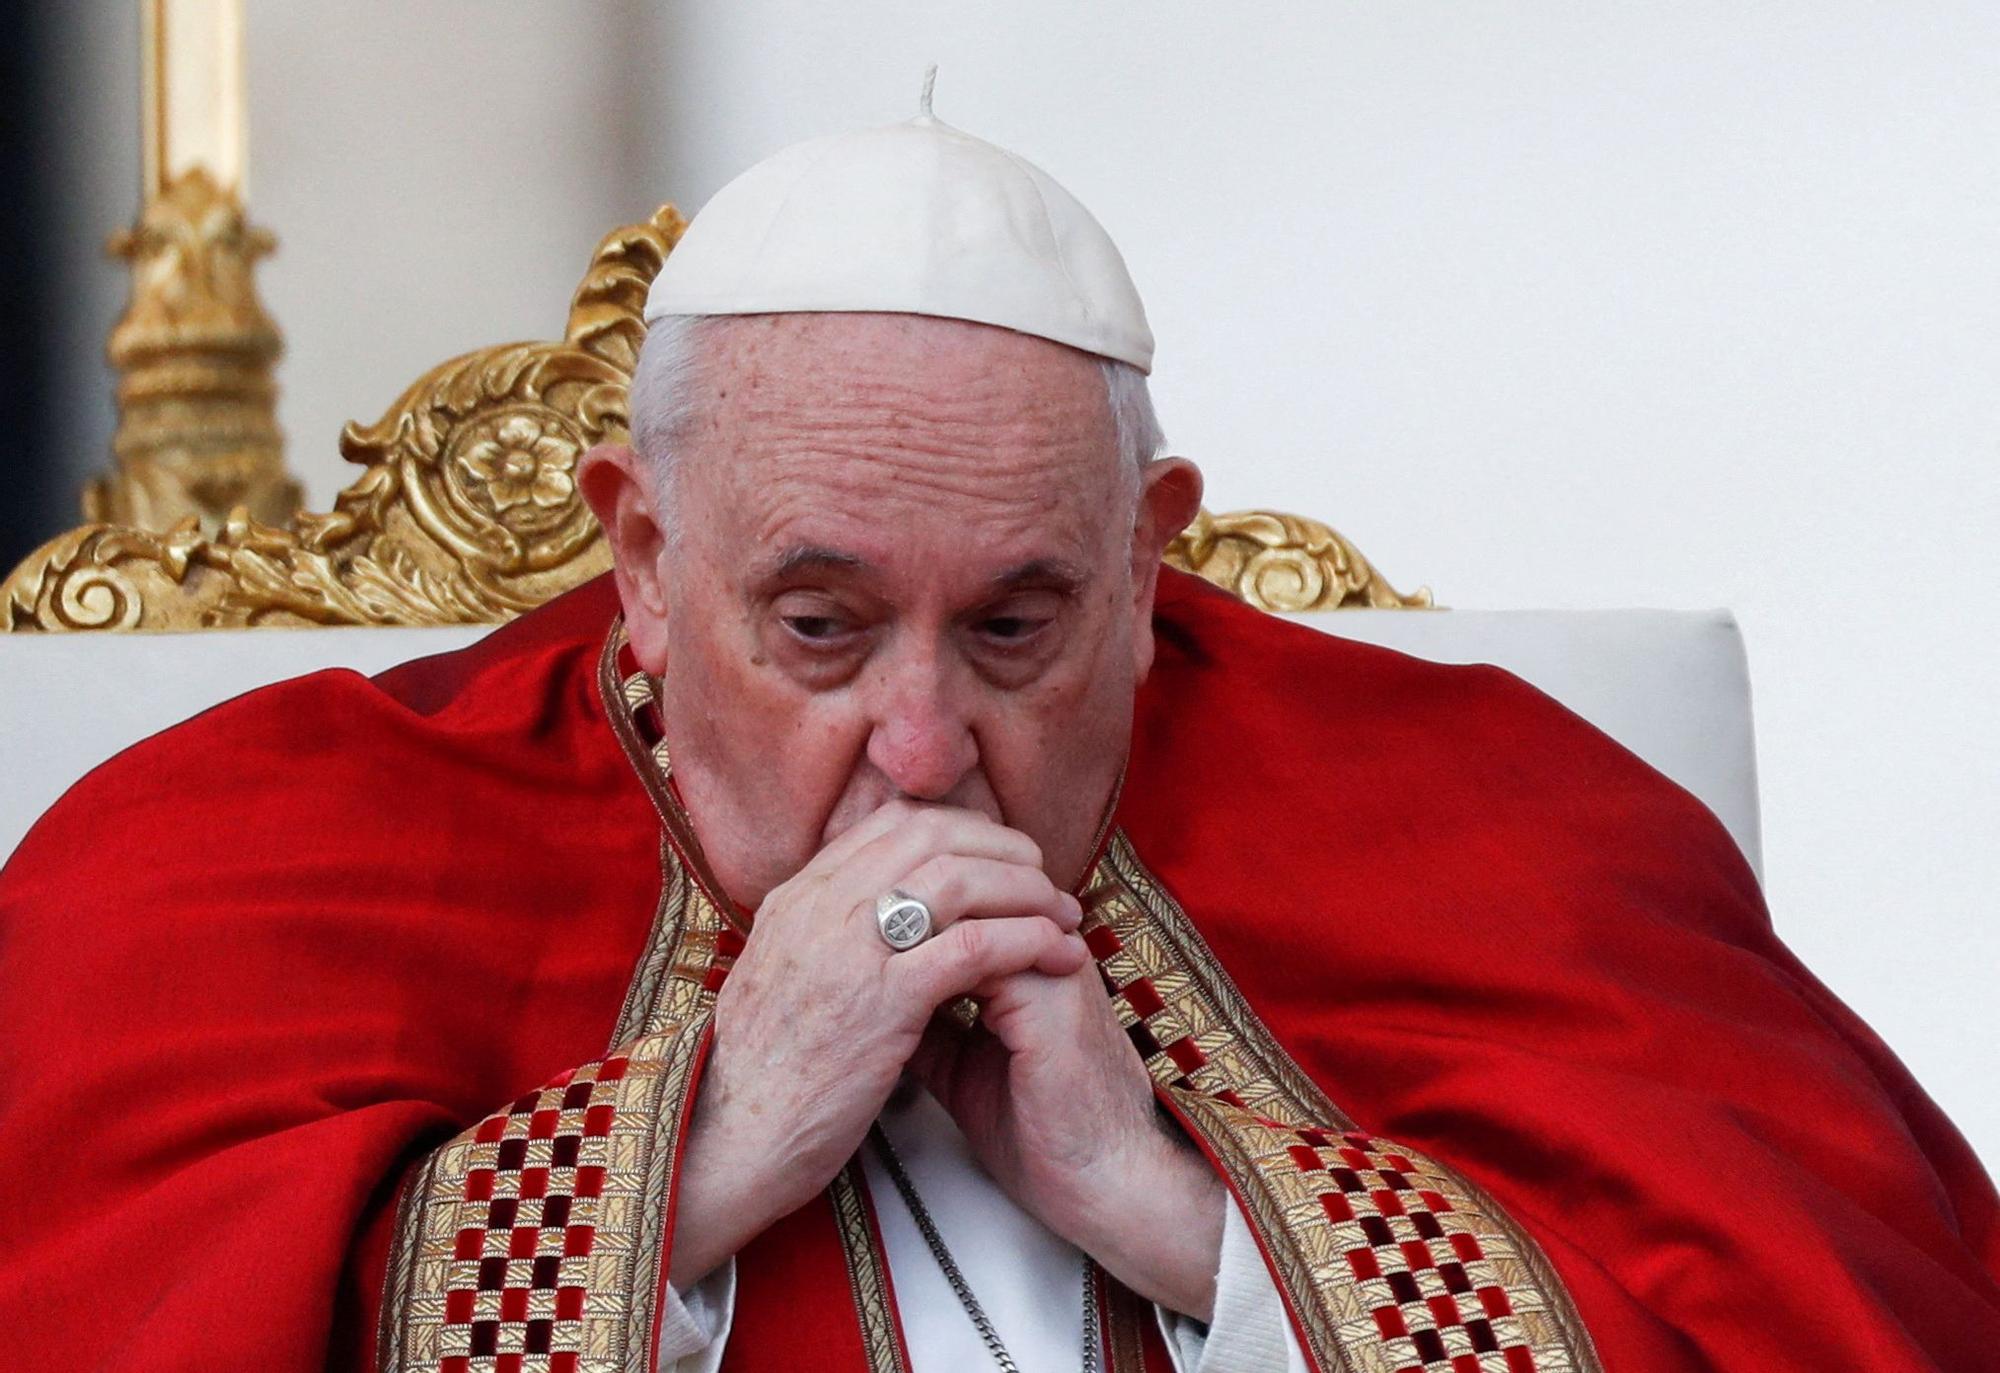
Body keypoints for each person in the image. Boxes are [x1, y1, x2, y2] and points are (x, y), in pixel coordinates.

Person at [4, 92, 1998, 1373]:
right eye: (818, 623)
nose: (924, 746)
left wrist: (1195, 1230)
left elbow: (1851, 1320)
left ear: (1150, 561)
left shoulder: (1496, 822)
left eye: (1021, 626)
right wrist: (671, 1178)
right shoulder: (266, 851)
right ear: (635, 555)